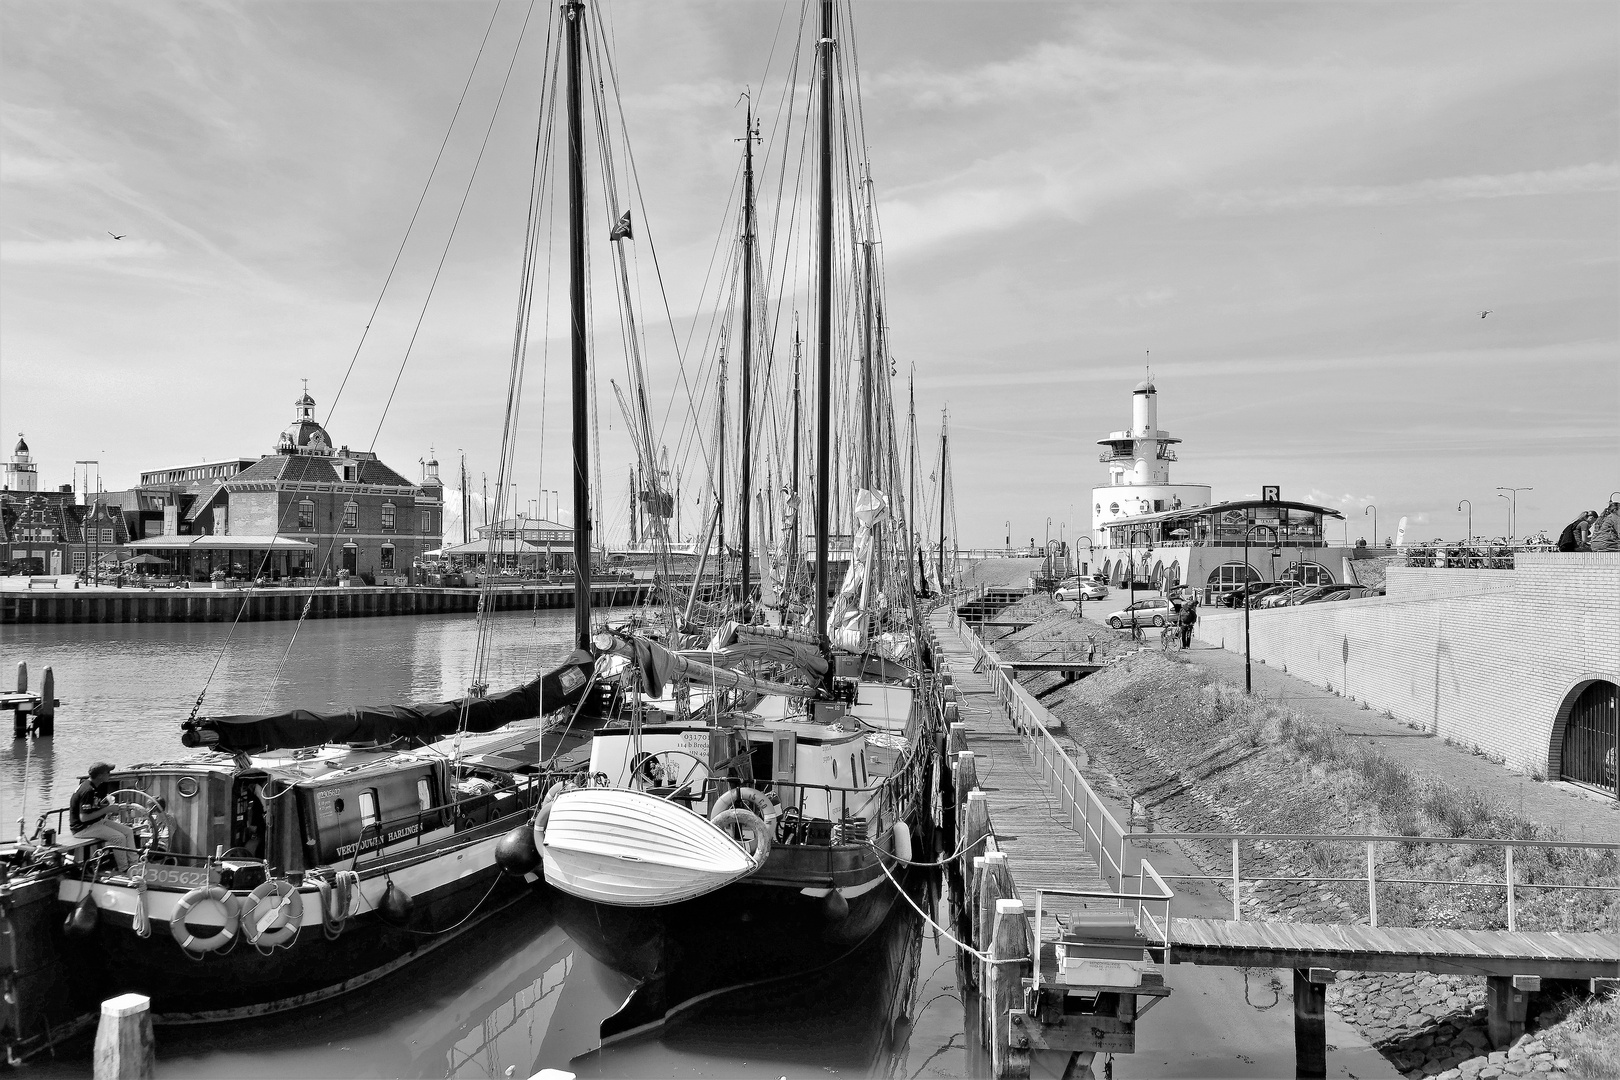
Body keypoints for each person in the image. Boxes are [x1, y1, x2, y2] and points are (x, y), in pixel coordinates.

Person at [69, 762, 135, 872]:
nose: (110, 774)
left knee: (128, 831)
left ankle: (134, 864)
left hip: (95, 823)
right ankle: (124, 869)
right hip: (82, 828)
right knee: (119, 838)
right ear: (100, 776)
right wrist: (108, 809)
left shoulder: (96, 787)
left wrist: (112, 806)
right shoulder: (88, 790)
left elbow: (94, 806)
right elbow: (83, 818)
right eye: (108, 772)